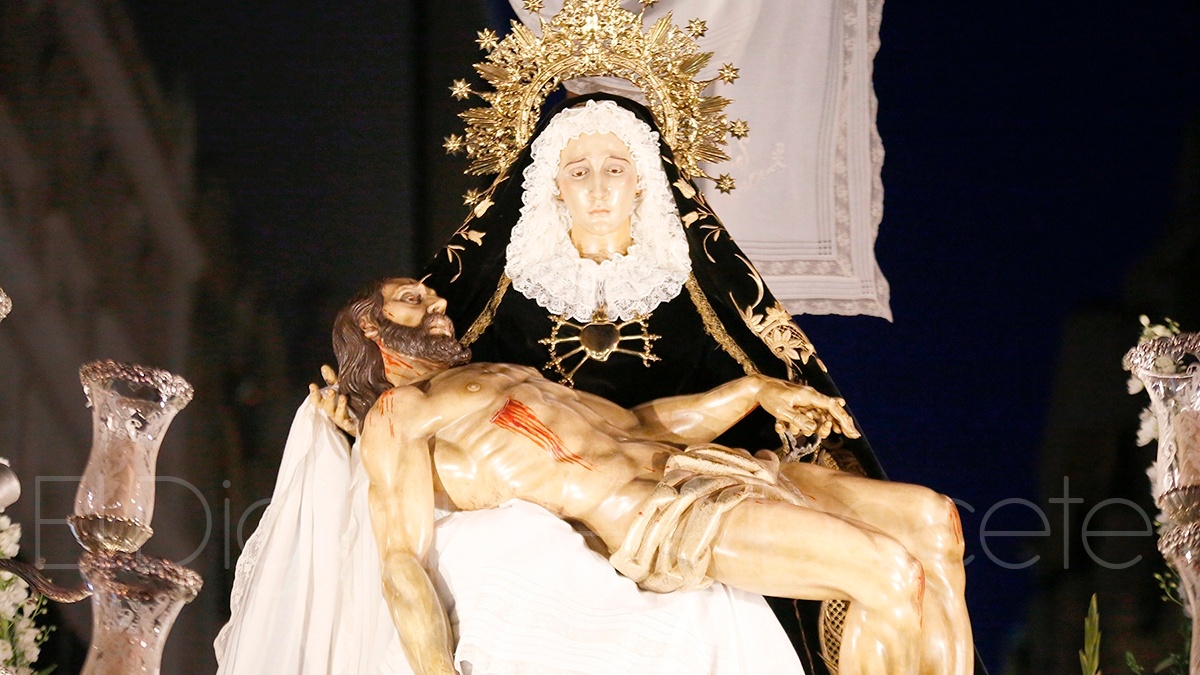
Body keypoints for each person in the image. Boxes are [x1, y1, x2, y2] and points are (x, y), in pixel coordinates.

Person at [421, 94, 887, 669]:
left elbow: (749, 383)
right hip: (552, 515)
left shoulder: (688, 286)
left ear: (642, 178)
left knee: (908, 539)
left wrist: (771, 398)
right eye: (578, 171)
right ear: (552, 184)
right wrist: (357, 400)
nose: (598, 189)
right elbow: (416, 370)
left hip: (678, 489)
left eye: (616, 169)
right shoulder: (503, 290)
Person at [346, 276, 973, 675]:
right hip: (657, 514)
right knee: (887, 574)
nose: (438, 302)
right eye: (412, 299)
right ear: (371, 329)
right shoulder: (398, 412)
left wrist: (754, 390)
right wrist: (434, 669)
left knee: (932, 522)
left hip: (703, 467)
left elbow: (639, 423)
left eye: (432, 295)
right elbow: (401, 557)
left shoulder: (507, 373)